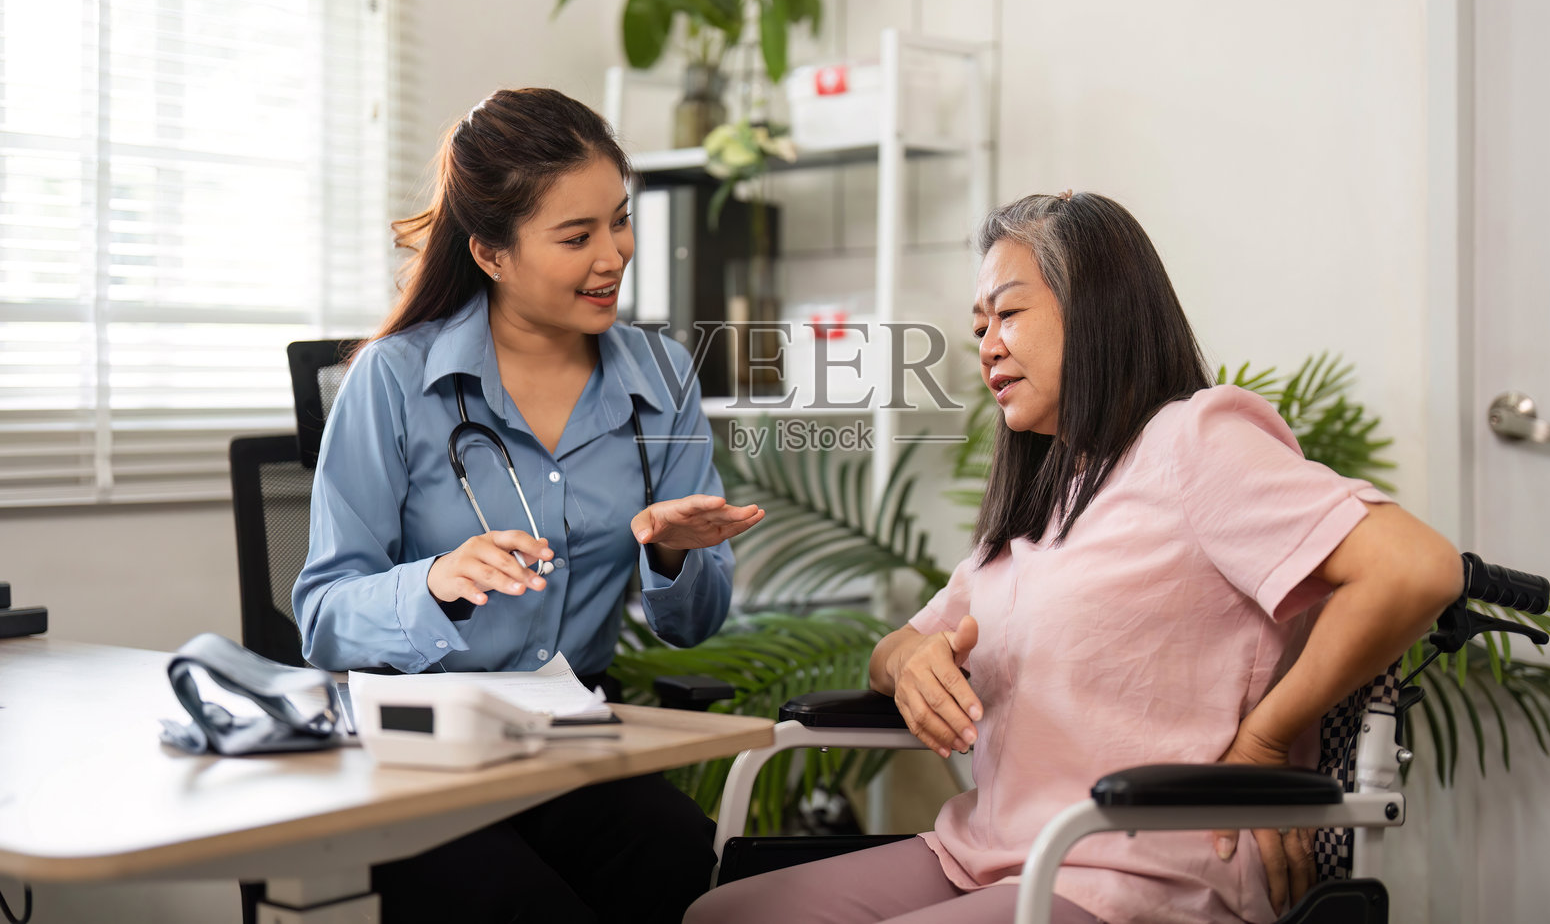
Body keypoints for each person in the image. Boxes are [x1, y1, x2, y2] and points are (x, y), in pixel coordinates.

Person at [685, 192, 1463, 924]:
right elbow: (899, 644)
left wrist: (1262, 739)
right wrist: (911, 660)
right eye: (979, 324)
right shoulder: (1050, 491)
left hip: (1133, 873)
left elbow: (1415, 567)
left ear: (1095, 311)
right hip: (983, 854)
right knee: (719, 913)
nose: (987, 345)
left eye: (1009, 314)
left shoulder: (1195, 442)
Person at [291, 87, 763, 924]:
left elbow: (693, 623)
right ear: (492, 253)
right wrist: (433, 581)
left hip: (567, 746)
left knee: (676, 853)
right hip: (424, 758)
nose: (612, 255)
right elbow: (323, 616)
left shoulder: (662, 379)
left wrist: (673, 554)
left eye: (619, 221)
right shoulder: (392, 382)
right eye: (575, 236)